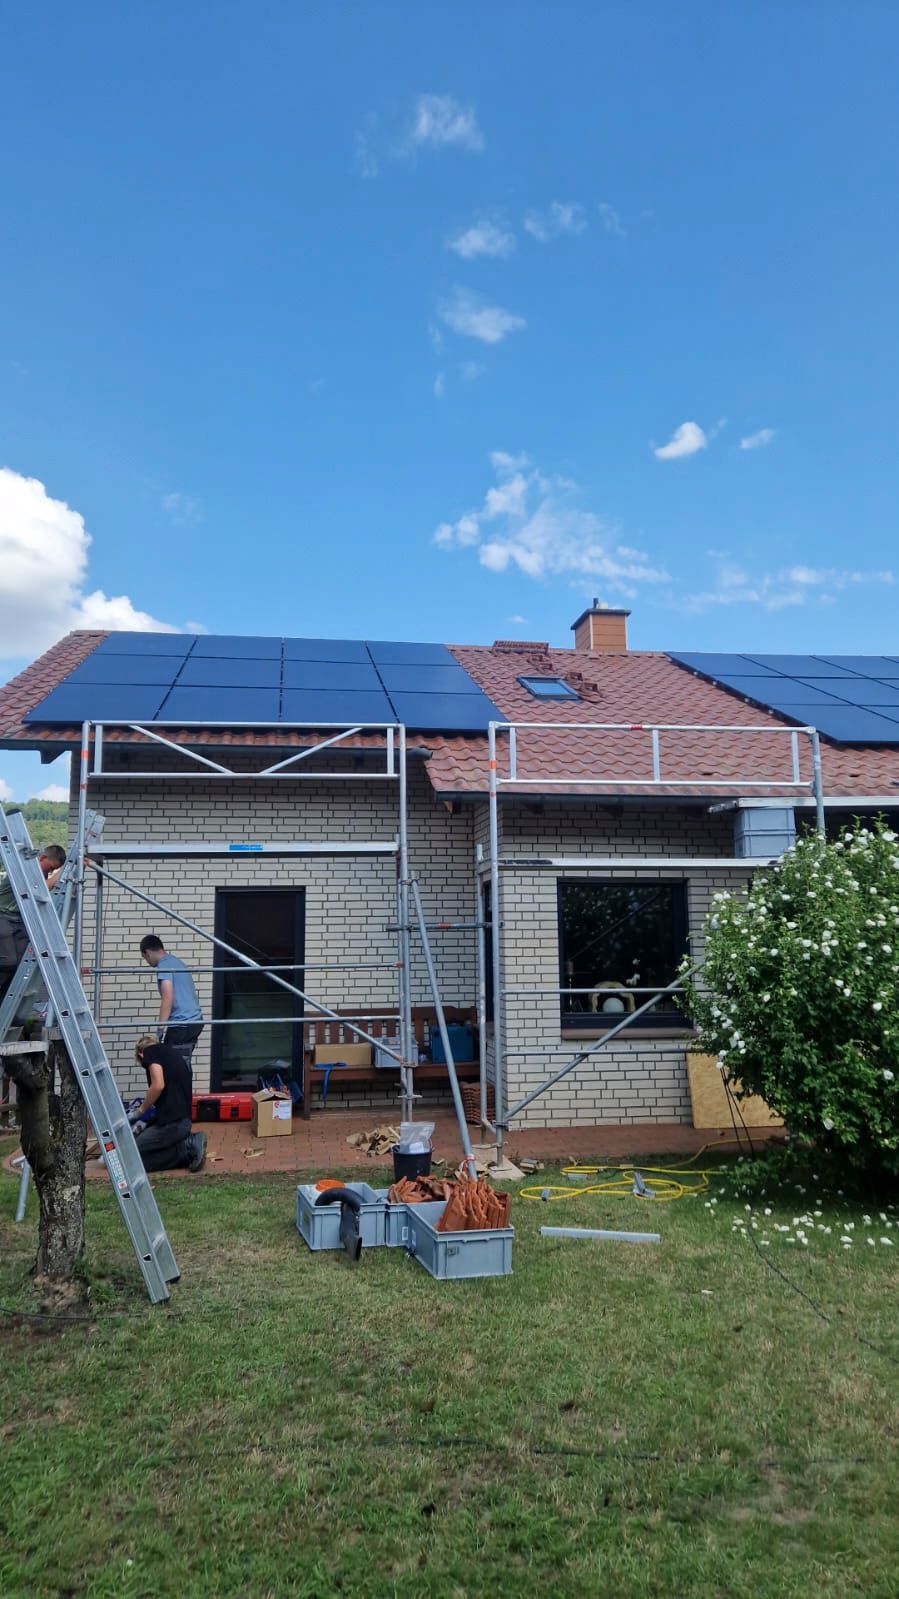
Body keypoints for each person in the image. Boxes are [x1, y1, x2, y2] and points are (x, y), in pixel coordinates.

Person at [130, 1034, 206, 1172]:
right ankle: (185, 1145)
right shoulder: (172, 1054)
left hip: (172, 1125)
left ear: (141, 1054)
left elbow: (158, 1086)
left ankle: (186, 1148)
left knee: (132, 1157)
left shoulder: (150, 1052)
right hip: (182, 1122)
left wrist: (140, 1111)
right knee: (145, 1150)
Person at [0, 845, 66, 999]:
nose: (50, 872)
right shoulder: (22, 869)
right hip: (3, 916)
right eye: (50, 868)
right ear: (42, 858)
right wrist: (62, 872)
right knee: (8, 961)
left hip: (19, 920)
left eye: (53, 870)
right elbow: (39, 890)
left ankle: (4, 1004)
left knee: (19, 966)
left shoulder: (41, 873)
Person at [138, 934, 204, 1068]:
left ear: (148, 952)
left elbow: (167, 998)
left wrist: (159, 1031)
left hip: (182, 1024)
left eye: (145, 958)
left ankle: (178, 1082)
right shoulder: (176, 962)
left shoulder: (164, 965)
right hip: (195, 1021)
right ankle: (184, 1081)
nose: (147, 962)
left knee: (170, 1065)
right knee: (182, 1063)